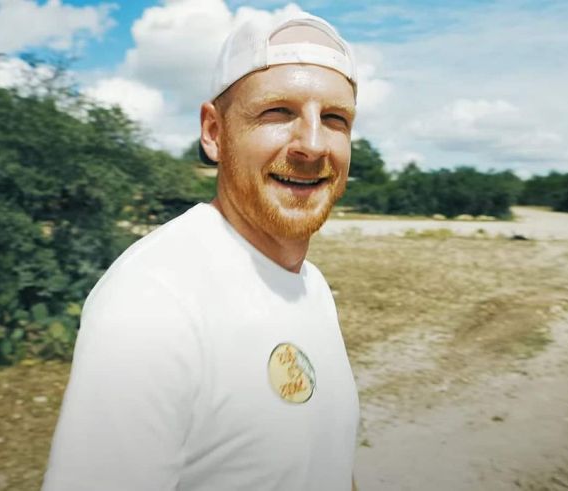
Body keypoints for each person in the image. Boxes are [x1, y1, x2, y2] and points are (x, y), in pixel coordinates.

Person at [43, 10, 360, 491]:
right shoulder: (152, 301)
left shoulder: (310, 285)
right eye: (278, 112)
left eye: (334, 118)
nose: (313, 145)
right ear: (214, 132)